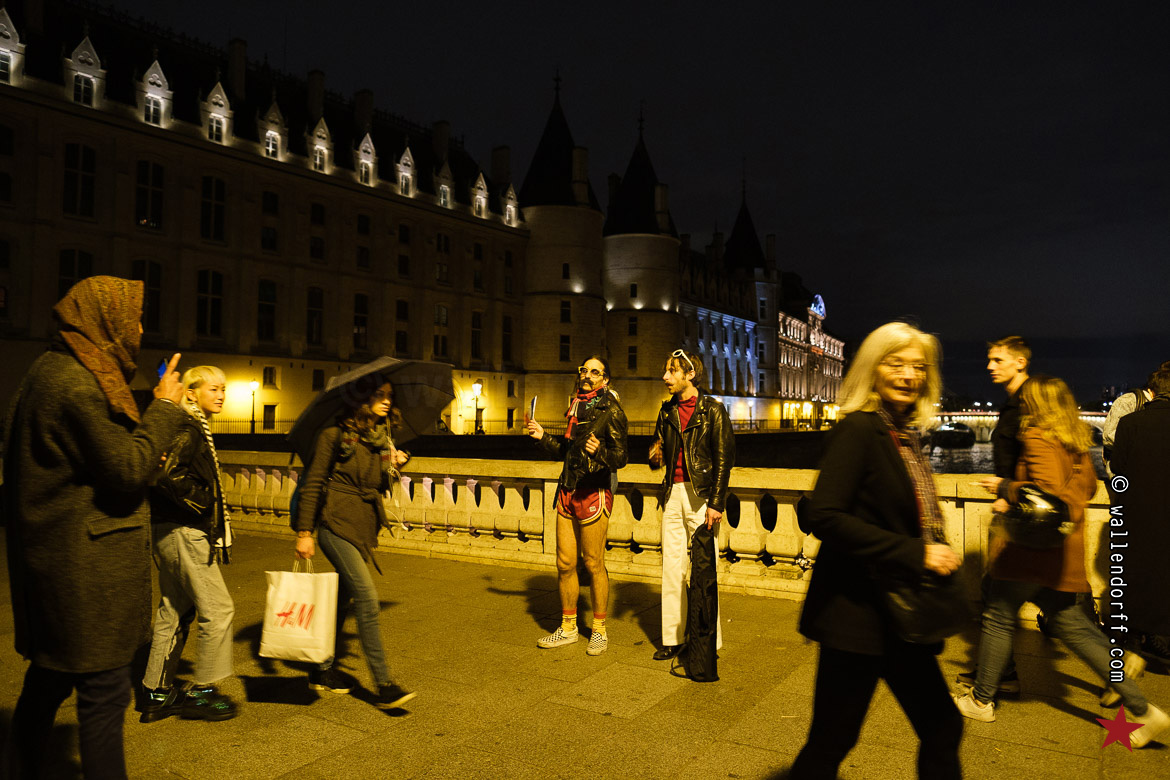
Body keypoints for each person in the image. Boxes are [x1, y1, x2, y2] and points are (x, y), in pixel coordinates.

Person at [3, 276, 186, 780]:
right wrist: (165, 408)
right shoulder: (75, 383)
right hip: (83, 575)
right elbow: (126, 468)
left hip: (58, 565)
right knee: (103, 698)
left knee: (47, 681)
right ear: (107, 320)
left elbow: (99, 459)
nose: (140, 329)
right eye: (134, 318)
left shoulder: (51, 369)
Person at [954, 376, 1169, 749]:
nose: (1023, 405)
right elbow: (1086, 490)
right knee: (1079, 633)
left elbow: (1047, 495)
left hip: (1029, 553)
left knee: (998, 616)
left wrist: (1005, 488)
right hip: (1063, 554)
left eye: (1028, 400)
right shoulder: (1076, 443)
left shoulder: (1038, 437)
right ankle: (1143, 709)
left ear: (1037, 404)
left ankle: (982, 699)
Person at [791, 322, 963, 780]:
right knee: (832, 740)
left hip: (896, 615)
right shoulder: (860, 430)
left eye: (918, 367)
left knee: (942, 726)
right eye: (896, 363)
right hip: (857, 615)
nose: (909, 375)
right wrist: (917, 553)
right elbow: (825, 514)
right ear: (872, 368)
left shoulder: (902, 434)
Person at [293, 377, 416, 709]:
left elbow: (377, 485)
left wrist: (394, 465)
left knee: (341, 602)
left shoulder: (381, 441)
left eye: (390, 395)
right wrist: (304, 533)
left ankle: (322, 670)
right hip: (334, 524)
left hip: (362, 527)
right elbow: (314, 482)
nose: (387, 400)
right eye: (379, 394)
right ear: (362, 398)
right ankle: (384, 685)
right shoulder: (335, 435)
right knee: (367, 598)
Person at [140, 366, 238, 723]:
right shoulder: (189, 427)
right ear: (191, 393)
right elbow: (169, 475)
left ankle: (157, 692)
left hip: (170, 529)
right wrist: (205, 502)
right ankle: (202, 692)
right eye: (213, 389)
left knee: (174, 608)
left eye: (223, 389)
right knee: (219, 609)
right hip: (184, 530)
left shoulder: (190, 426)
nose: (221, 395)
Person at [525, 356, 628, 656]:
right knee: (565, 564)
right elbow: (566, 451)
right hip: (568, 489)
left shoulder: (612, 410)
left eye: (595, 372)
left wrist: (601, 453)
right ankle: (568, 628)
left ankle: (599, 630)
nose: (587, 375)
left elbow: (621, 457)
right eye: (584, 370)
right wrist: (543, 437)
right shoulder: (576, 407)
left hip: (594, 490)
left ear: (605, 379)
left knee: (593, 563)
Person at [648, 349, 734, 661]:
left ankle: (709, 639)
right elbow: (658, 452)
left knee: (704, 571)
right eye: (666, 371)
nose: (665, 377)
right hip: (673, 493)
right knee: (671, 568)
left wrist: (716, 503)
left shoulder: (712, 410)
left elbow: (724, 459)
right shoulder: (667, 410)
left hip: (701, 497)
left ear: (690, 374)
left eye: (672, 371)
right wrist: (655, 455)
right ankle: (673, 637)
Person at [960, 336, 1033, 694]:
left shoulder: (1029, 403)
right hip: (1012, 507)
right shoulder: (1013, 403)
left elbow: (1034, 457)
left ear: (1020, 362)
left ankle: (996, 679)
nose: (990, 366)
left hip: (1017, 511)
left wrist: (1008, 493)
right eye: (989, 359)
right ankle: (1002, 673)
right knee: (998, 593)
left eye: (998, 360)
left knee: (999, 596)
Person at [1110, 368, 1170, 666]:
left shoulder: (1130, 423)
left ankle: (1132, 640)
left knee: (1135, 574)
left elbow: (1118, 467)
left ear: (1152, 392)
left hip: (1137, 512)